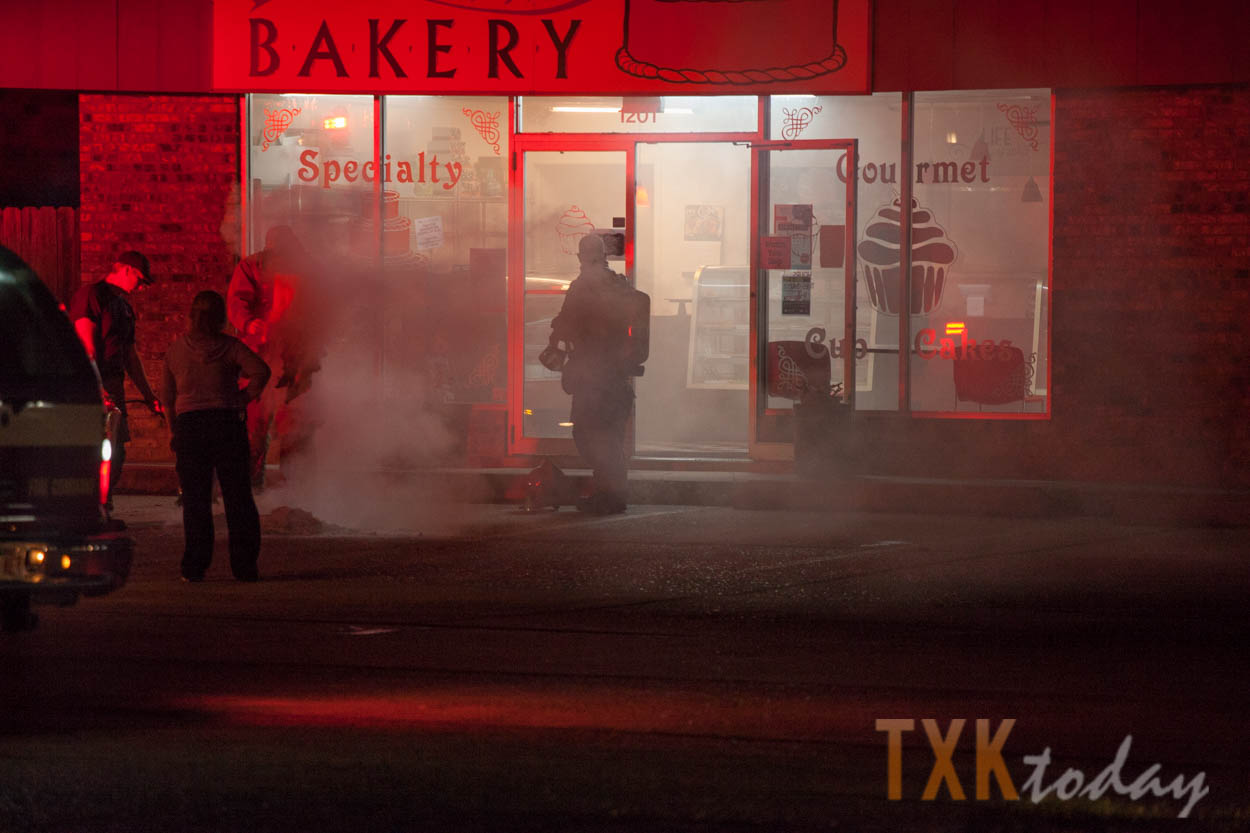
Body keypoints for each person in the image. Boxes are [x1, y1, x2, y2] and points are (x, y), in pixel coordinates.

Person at [162, 291, 271, 582]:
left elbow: (168, 397)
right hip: (226, 424)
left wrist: (173, 430)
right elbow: (261, 371)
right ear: (221, 317)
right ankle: (244, 567)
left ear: (191, 317)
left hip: (190, 426)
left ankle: (194, 566)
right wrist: (242, 398)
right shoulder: (231, 347)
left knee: (196, 500)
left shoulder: (175, 351)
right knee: (238, 497)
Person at [547, 234, 638, 515]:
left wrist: (557, 335)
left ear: (581, 257)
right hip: (617, 377)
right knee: (610, 437)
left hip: (593, 377)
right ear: (605, 256)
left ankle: (609, 495)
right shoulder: (620, 284)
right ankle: (613, 494)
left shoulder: (582, 286)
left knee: (589, 435)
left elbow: (566, 324)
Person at [226, 225, 321, 486]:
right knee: (254, 423)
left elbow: (319, 310)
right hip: (259, 356)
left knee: (295, 423)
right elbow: (237, 302)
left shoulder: (306, 269)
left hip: (293, 359)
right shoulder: (251, 267)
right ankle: (249, 483)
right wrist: (249, 323)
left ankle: (297, 484)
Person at [69, 250, 163, 506]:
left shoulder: (124, 308)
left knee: (116, 452)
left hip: (113, 385)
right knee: (92, 450)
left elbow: (130, 356)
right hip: (93, 387)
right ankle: (87, 507)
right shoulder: (92, 295)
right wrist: (97, 387)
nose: (141, 287)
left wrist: (149, 396)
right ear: (127, 270)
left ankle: (103, 505)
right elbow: (86, 345)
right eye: (140, 280)